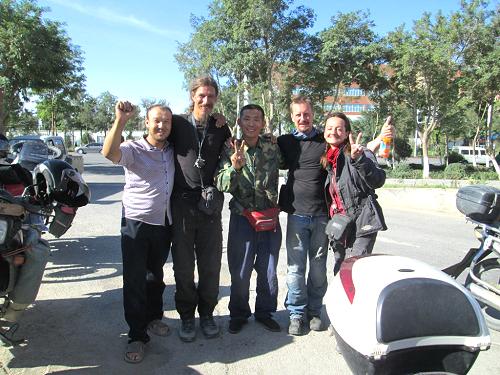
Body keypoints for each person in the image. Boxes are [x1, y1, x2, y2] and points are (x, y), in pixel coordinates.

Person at [102, 101, 174, 363]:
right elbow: (108, 153)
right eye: (156, 120)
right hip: (136, 222)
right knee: (134, 279)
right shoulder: (133, 149)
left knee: (155, 275)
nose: (161, 125)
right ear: (146, 122)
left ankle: (154, 318)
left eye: (166, 121)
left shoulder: (171, 149)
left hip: (163, 223)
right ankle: (136, 334)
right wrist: (120, 120)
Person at [169, 76, 231, 342]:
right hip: (181, 204)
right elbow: (154, 138)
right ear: (192, 95)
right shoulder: (178, 124)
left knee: (210, 266)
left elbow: (233, 154)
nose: (206, 101)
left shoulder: (220, 127)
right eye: (201, 95)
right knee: (183, 267)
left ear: (216, 98)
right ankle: (186, 317)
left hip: (210, 207)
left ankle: (206, 314)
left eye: (211, 96)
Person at [216, 104, 283, 334]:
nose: (252, 123)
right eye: (247, 119)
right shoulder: (229, 148)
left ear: (263, 123)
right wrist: (234, 167)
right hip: (242, 218)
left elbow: (291, 162)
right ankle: (239, 314)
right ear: (239, 121)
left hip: (269, 218)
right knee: (240, 271)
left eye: (257, 119)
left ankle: (265, 313)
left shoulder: (273, 147)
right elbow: (221, 184)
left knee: (268, 270)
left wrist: (273, 138)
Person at [277, 95, 329, 336]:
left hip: (322, 216)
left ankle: (315, 310)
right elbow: (261, 152)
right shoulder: (284, 142)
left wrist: (379, 139)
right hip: (297, 215)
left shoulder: (325, 140)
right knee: (296, 269)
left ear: (312, 114)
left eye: (306, 114)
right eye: (298, 114)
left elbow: (350, 148)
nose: (303, 118)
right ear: (292, 117)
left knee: (318, 268)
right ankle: (296, 313)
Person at [321, 112, 387, 275]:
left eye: (338, 128)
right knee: (339, 269)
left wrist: (360, 160)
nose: (333, 132)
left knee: (354, 270)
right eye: (329, 128)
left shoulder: (359, 152)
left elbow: (378, 180)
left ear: (347, 133)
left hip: (362, 222)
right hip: (341, 225)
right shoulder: (328, 159)